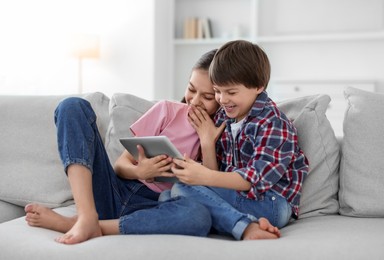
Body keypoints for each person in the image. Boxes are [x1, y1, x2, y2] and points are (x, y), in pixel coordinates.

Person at [24, 49, 225, 244]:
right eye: (191, 89)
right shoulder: (167, 110)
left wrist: (207, 142)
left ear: (221, 96)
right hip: (114, 191)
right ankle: (86, 216)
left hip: (157, 207)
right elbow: (121, 165)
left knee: (198, 217)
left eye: (207, 97)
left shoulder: (225, 132)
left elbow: (212, 193)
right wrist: (140, 170)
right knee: (72, 106)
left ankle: (85, 225)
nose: (195, 101)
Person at [167, 40, 310, 240]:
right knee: (169, 197)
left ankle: (243, 227)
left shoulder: (273, 123)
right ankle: (244, 221)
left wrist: (202, 177)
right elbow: (217, 178)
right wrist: (207, 142)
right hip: (236, 197)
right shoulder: (223, 117)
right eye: (217, 91)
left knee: (181, 191)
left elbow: (254, 179)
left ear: (259, 86)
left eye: (231, 92)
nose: (223, 100)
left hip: (272, 203)